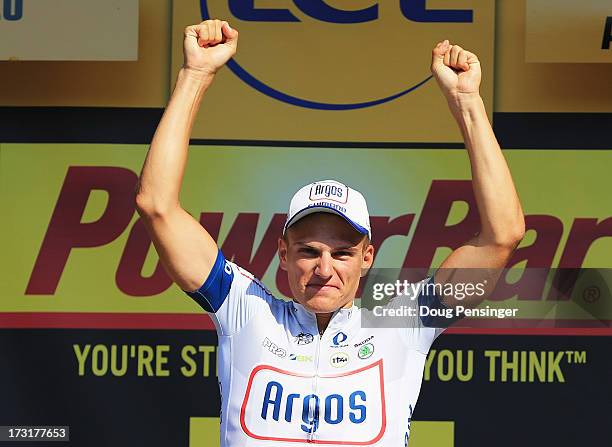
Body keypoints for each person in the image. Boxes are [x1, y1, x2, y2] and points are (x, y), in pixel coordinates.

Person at [135, 19, 525, 446]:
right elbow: (157, 206)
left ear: (367, 257)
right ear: (282, 253)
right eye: (309, 250)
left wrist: (467, 104)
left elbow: (502, 236)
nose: (324, 268)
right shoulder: (245, 310)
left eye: (342, 253)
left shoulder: (401, 322)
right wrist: (196, 75)